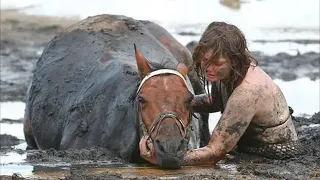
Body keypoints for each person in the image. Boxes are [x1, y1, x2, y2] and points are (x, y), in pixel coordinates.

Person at [139, 21, 301, 166]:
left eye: (217, 63)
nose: (209, 68)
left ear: (235, 60)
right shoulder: (227, 72)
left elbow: (214, 152)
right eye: (205, 61)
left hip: (273, 154)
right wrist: (178, 103)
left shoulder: (248, 92)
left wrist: (163, 157)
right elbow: (215, 101)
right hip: (246, 146)